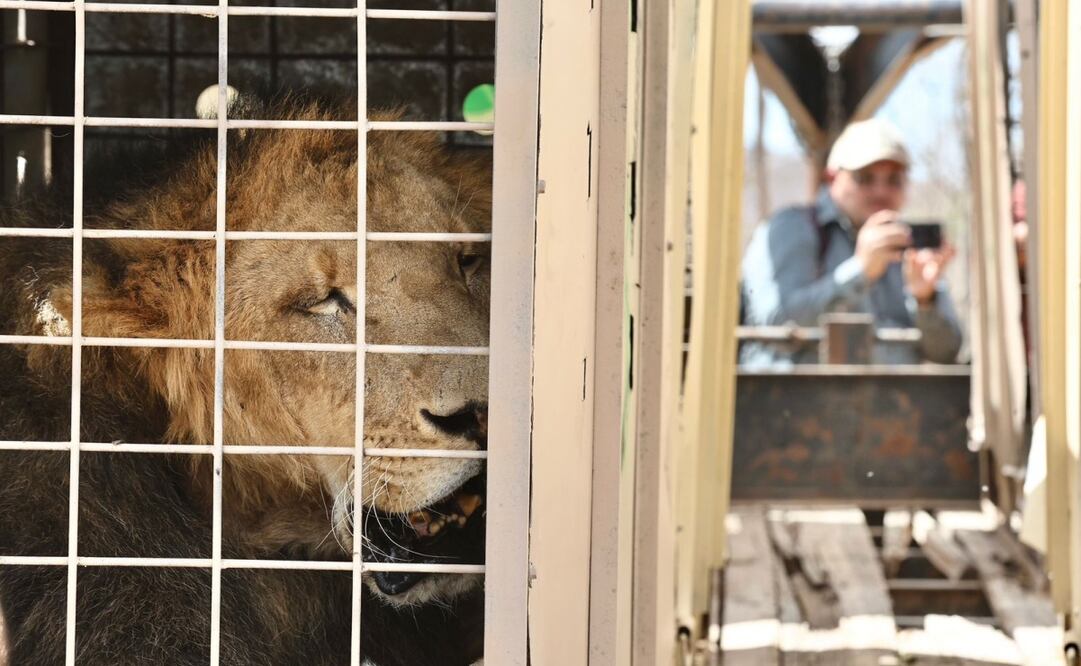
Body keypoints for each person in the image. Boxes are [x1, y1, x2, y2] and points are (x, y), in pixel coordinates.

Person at [740, 118, 962, 367]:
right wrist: (860, 272)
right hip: (796, 402)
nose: (881, 191)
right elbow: (777, 324)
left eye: (894, 180)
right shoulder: (792, 227)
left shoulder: (907, 249)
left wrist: (925, 302)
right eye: (864, 178)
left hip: (893, 402)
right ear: (832, 178)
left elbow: (946, 352)